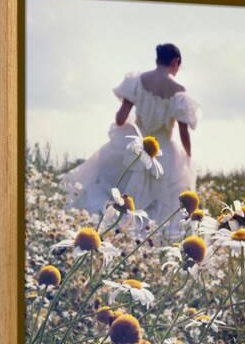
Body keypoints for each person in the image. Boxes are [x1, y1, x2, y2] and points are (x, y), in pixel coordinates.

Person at [61, 43, 199, 233]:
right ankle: (149, 239)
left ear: (157, 59)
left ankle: (112, 231)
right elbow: (184, 133)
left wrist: (135, 126)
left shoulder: (137, 81)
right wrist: (188, 157)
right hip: (164, 151)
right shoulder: (179, 92)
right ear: (175, 62)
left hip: (135, 145)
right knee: (161, 203)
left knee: (119, 194)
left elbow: (120, 119)